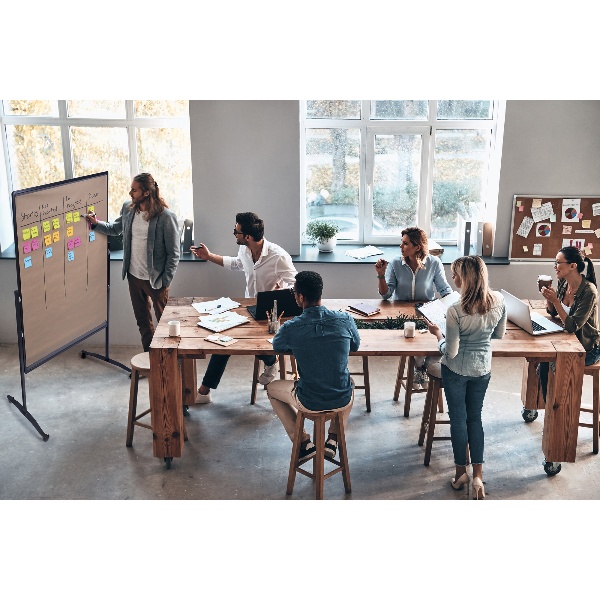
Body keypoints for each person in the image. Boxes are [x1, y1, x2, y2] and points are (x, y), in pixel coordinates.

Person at [191, 212, 297, 403]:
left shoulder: (278, 256)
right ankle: (205, 391)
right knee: (223, 339)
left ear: (247, 236)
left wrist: (282, 291)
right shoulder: (245, 250)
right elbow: (237, 264)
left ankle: (271, 361)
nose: (234, 234)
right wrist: (209, 256)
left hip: (270, 315)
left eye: (236, 231)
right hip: (249, 308)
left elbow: (296, 284)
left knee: (251, 341)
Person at [426, 256, 506, 499]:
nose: (453, 278)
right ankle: (478, 477)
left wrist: (438, 334)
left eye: (456, 274)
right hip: (482, 369)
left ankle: (461, 473)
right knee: (475, 419)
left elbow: (450, 352)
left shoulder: (455, 310)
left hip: (456, 371)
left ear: (466, 278)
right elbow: (499, 335)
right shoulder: (499, 301)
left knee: (459, 421)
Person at [267, 271, 360, 460]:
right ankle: (333, 438)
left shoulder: (291, 327)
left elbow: (277, 346)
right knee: (348, 383)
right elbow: (355, 345)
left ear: (301, 297)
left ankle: (303, 443)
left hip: (309, 400)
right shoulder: (345, 319)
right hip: (341, 398)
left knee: (271, 388)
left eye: (294, 293)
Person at [85, 173, 180, 352]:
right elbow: (115, 229)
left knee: (166, 324)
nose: (130, 193)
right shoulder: (128, 209)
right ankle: (150, 359)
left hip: (156, 280)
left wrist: (165, 280)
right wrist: (96, 223)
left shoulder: (166, 217)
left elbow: (174, 253)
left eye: (134, 190)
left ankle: (173, 360)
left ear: (146, 192)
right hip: (134, 277)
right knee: (143, 323)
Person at [535, 246, 600, 472]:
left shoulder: (589, 291)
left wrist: (555, 300)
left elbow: (572, 326)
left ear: (573, 266)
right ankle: (549, 409)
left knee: (553, 364)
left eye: (558, 263)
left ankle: (557, 418)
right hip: (568, 340)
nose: (555, 267)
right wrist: (549, 299)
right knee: (542, 359)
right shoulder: (563, 283)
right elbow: (555, 313)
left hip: (587, 347)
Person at [374, 226, 452, 389]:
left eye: (405, 243)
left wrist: (455, 305)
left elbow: (444, 290)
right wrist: (381, 274)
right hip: (402, 315)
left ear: (417, 247)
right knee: (417, 342)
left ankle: (423, 367)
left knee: (441, 336)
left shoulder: (434, 263)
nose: (401, 246)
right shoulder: (396, 263)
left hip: (427, 313)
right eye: (401, 242)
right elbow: (386, 295)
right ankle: (419, 368)